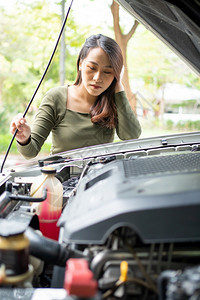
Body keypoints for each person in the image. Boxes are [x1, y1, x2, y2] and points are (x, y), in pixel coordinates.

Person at [10, 34, 141, 159]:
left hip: (102, 178)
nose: (97, 78)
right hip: (62, 179)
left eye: (107, 72)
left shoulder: (113, 100)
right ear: (80, 64)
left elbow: (131, 137)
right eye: (92, 68)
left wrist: (119, 86)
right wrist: (24, 138)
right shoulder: (56, 98)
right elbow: (31, 152)